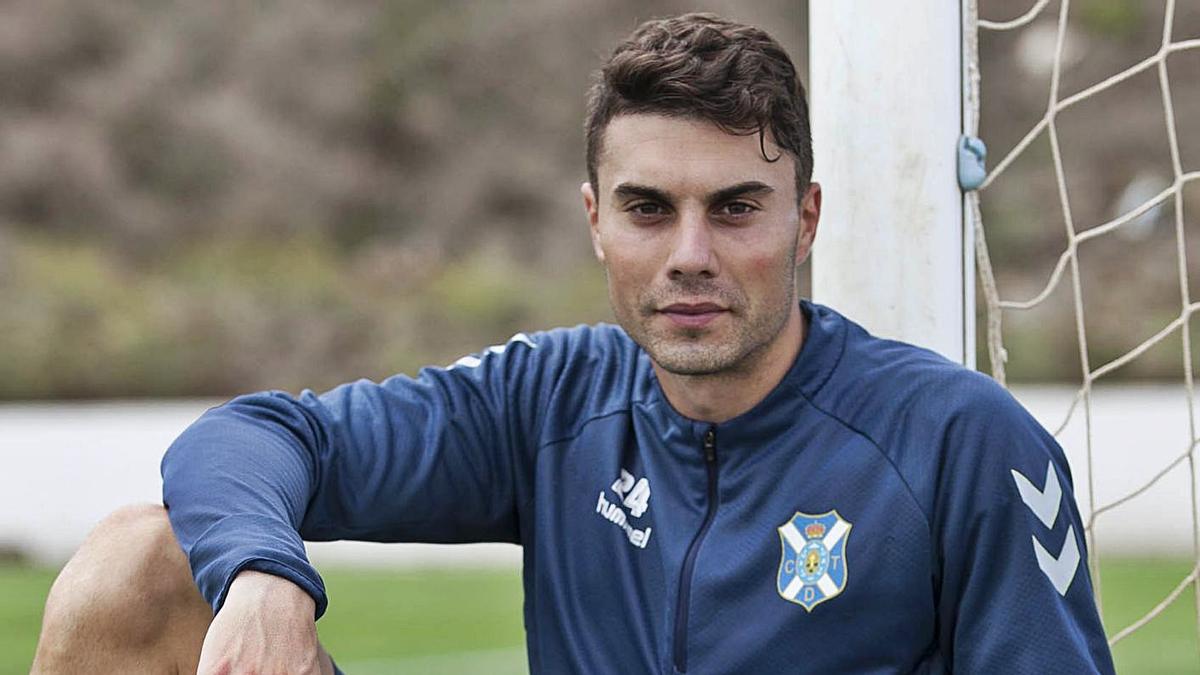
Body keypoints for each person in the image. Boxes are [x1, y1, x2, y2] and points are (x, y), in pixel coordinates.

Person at [33, 12, 1115, 674]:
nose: (690, 253)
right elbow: (247, 439)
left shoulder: (958, 443)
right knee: (137, 561)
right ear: (594, 218)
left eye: (736, 208)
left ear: (809, 219)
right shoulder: (548, 403)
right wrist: (265, 578)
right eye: (649, 210)